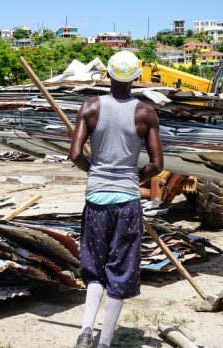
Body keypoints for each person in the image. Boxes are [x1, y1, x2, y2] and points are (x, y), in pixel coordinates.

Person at [69, 51, 163, 348]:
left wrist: (94, 171)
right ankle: (104, 342)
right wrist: (136, 178)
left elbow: (74, 155)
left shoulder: (90, 107)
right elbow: (157, 165)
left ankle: (86, 331)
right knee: (120, 269)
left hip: (96, 199)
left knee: (95, 268)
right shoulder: (145, 113)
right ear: (136, 78)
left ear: (108, 75)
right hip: (126, 201)